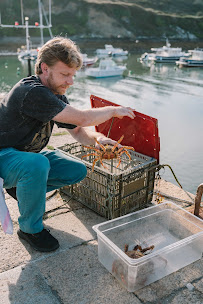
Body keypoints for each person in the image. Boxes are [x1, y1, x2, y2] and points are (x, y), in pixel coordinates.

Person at [0, 36, 135, 252]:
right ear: (45, 68)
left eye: (72, 75)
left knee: (76, 170)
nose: (70, 81)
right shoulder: (31, 91)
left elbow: (79, 130)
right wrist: (112, 111)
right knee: (36, 165)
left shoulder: (55, 96)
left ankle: (23, 189)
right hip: (4, 156)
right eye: (65, 74)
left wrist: (98, 139)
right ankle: (29, 229)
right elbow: (82, 118)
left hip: (22, 158)